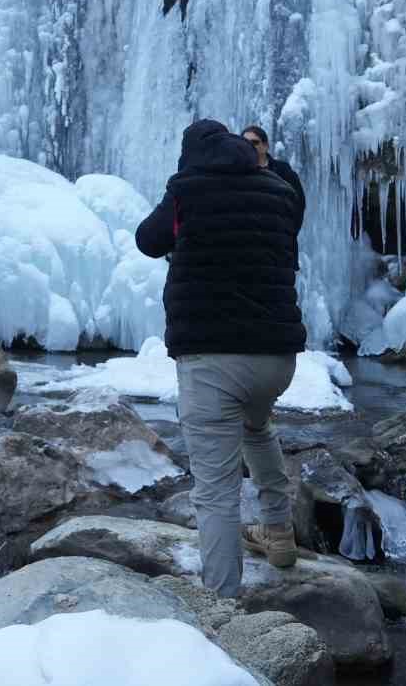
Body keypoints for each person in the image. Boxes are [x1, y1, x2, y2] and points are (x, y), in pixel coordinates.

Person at [135, 119, 305, 598]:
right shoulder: (278, 189)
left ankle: (222, 610)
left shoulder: (187, 189)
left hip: (213, 358)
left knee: (215, 492)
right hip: (277, 358)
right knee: (256, 427)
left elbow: (148, 240)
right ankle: (278, 532)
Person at [241, 124, 305, 229]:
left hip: (278, 233)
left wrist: (289, 232)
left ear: (266, 146)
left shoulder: (283, 170)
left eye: (255, 142)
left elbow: (298, 203)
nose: (249, 146)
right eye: (245, 142)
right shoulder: (239, 171)